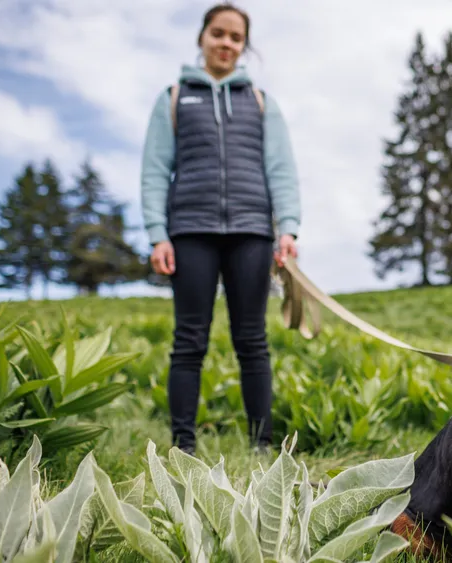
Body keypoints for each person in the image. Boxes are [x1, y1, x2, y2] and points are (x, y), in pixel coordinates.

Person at [139, 2, 301, 455]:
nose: (226, 43)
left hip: (252, 231)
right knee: (188, 341)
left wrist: (288, 228)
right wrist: (158, 233)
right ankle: (183, 447)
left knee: (253, 341)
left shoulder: (261, 102)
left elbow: (281, 169)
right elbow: (155, 170)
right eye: (218, 33)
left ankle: (261, 446)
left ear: (243, 46)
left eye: (235, 37)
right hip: (190, 230)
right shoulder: (174, 97)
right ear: (202, 37)